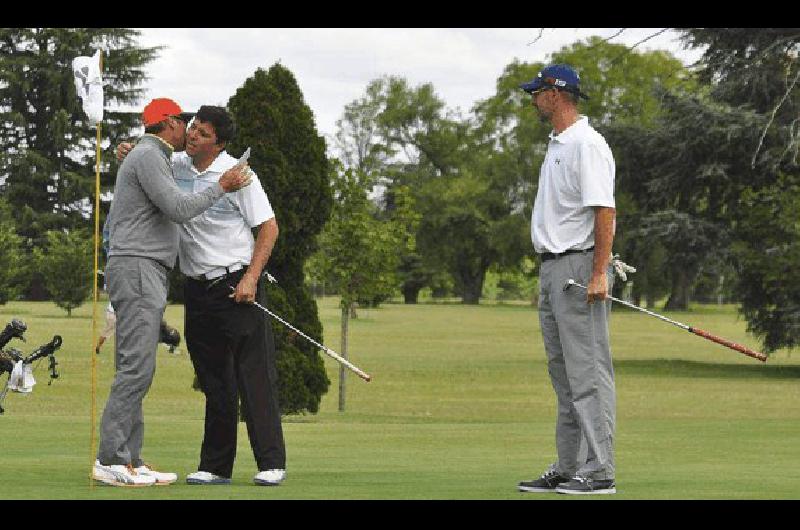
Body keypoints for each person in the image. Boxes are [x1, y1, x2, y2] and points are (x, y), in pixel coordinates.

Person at [117, 105, 285, 487]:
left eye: (203, 133)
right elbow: (147, 159)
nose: (192, 135)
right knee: (214, 381)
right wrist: (128, 153)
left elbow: (269, 227)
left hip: (236, 285)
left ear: (220, 143)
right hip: (197, 288)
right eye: (192, 128)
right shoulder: (173, 165)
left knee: (254, 377)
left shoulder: (239, 175)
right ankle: (216, 466)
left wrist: (252, 279)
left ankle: (271, 462)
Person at [92, 98, 253, 488]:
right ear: (167, 123)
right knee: (136, 368)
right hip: (139, 267)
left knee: (137, 365)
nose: (188, 131)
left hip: (142, 268)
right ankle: (111, 459)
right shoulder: (150, 155)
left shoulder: (150, 154)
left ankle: (129, 457)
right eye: (184, 123)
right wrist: (222, 185)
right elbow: (180, 208)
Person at [515, 65, 618, 495]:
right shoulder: (559, 144)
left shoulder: (587, 145)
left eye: (537, 92)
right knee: (564, 376)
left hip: (578, 269)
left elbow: (604, 211)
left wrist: (598, 272)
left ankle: (599, 472)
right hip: (552, 268)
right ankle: (569, 465)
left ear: (556, 94)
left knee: (588, 373)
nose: (533, 99)